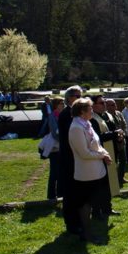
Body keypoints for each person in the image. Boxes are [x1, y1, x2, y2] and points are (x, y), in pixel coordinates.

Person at [68, 97, 113, 243]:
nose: (92, 111)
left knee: (91, 202)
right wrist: (102, 155)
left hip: (95, 171)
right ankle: (86, 234)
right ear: (82, 112)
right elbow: (84, 153)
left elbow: (97, 142)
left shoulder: (86, 124)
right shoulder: (76, 127)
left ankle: (88, 232)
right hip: (86, 173)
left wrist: (104, 153)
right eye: (90, 109)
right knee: (85, 204)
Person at [90, 95, 122, 218]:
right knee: (100, 185)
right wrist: (114, 134)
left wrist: (119, 136)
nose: (104, 105)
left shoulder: (106, 116)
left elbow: (114, 130)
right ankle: (97, 211)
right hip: (100, 155)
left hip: (111, 152)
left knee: (108, 184)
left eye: (104, 102)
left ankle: (107, 208)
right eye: (101, 103)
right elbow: (98, 138)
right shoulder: (92, 119)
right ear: (93, 105)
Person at [58, 85, 83, 234]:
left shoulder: (76, 114)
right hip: (69, 159)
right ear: (69, 98)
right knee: (70, 192)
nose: (80, 98)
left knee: (78, 191)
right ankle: (71, 223)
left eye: (81, 95)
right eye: (77, 95)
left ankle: (79, 220)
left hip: (78, 158)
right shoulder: (66, 114)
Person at [105, 99, 128, 186]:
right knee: (113, 162)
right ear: (106, 106)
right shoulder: (105, 116)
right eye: (111, 105)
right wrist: (116, 136)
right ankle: (112, 179)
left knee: (123, 160)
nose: (114, 106)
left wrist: (123, 134)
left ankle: (121, 178)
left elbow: (124, 124)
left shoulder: (118, 113)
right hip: (112, 143)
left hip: (121, 141)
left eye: (114, 104)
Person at [46, 97, 64, 199]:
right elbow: (54, 132)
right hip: (55, 148)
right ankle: (51, 195)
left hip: (62, 147)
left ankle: (60, 193)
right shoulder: (52, 116)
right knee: (54, 172)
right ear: (56, 105)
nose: (63, 104)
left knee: (61, 171)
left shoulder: (63, 114)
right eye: (61, 103)